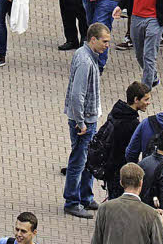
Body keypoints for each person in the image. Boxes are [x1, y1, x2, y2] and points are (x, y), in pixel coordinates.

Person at [63, 23, 111, 218]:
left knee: (87, 158)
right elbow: (77, 94)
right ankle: (72, 201)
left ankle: (85, 196)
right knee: (78, 160)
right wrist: (81, 121)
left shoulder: (86, 56)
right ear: (93, 39)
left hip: (87, 118)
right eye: (104, 41)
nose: (108, 45)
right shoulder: (85, 61)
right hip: (83, 121)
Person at [94, 81, 151, 199]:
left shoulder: (117, 111)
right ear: (136, 99)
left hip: (110, 167)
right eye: (146, 100)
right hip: (120, 171)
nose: (148, 103)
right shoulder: (131, 123)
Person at [89, 163, 163, 243]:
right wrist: (161, 225)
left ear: (121, 183)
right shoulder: (152, 214)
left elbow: (96, 240)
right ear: (141, 183)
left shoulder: (104, 208)